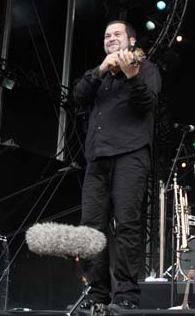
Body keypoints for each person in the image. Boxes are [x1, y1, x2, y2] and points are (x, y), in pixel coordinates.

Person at [73, 20, 161, 311]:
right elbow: (78, 96)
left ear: (131, 42)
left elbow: (146, 104)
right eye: (106, 35)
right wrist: (100, 70)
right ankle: (97, 293)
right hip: (97, 159)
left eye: (117, 34)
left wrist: (131, 75)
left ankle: (126, 294)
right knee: (91, 228)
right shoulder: (99, 77)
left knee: (127, 225)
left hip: (131, 155)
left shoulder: (146, 69)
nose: (110, 38)